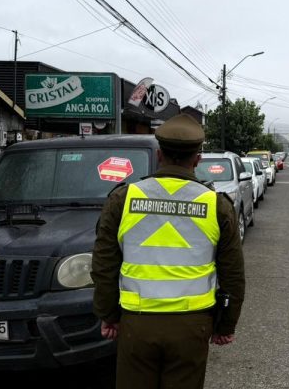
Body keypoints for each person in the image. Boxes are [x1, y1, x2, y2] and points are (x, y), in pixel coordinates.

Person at [91, 114, 246, 389]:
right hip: (192, 326)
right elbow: (233, 274)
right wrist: (226, 325)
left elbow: (104, 265)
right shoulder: (216, 205)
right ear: (198, 158)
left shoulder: (123, 199)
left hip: (136, 324)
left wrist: (108, 315)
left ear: (160, 154)